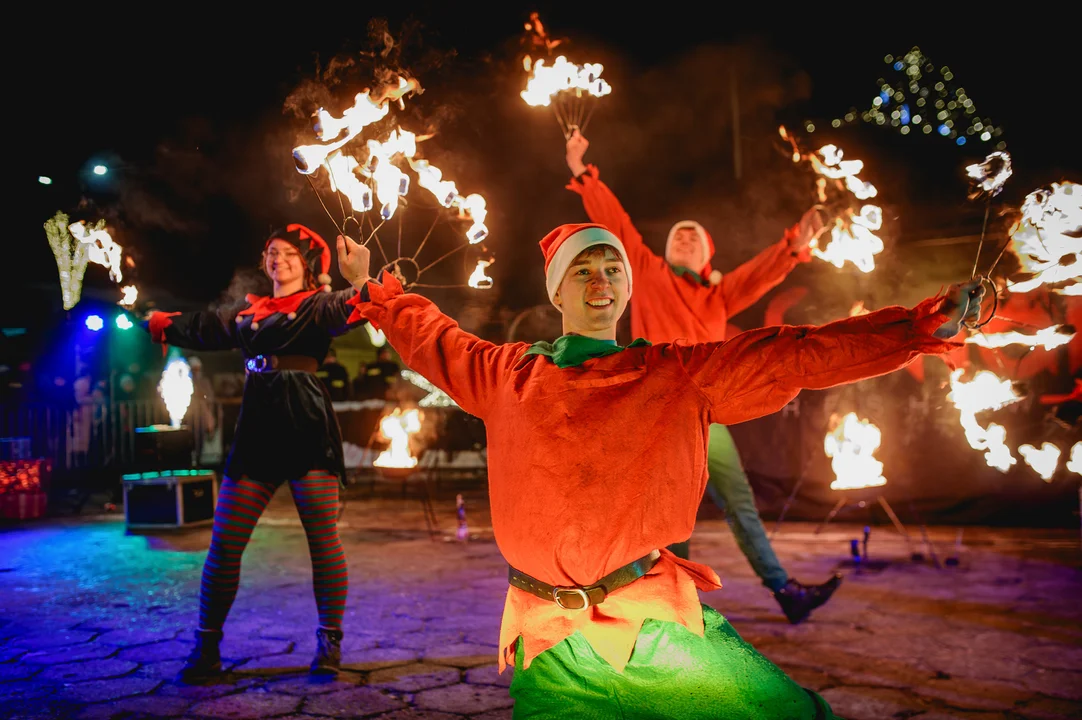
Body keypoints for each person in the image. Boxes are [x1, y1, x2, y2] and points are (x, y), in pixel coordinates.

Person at [335, 223, 984, 718]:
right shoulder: (506, 373)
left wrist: (914, 328)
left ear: (626, 286)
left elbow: (796, 355)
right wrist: (374, 292)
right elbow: (430, 336)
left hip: (656, 634)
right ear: (556, 287)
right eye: (582, 268)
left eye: (612, 266)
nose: (599, 279)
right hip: (548, 640)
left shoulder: (675, 371)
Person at [565, 129, 841, 623]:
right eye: (676, 234)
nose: (683, 237)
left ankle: (784, 591)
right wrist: (584, 173)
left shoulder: (719, 296)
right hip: (660, 409)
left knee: (739, 503)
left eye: (692, 236)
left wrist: (795, 245)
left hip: (708, 412)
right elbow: (619, 226)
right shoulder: (648, 275)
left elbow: (758, 274)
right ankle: (672, 603)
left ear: (706, 254)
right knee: (674, 511)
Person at [143, 223, 366, 682]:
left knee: (323, 543)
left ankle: (329, 643)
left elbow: (354, 307)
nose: (277, 259)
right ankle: (206, 647)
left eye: (287, 253)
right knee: (224, 545)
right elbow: (207, 325)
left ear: (305, 264)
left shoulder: (317, 305)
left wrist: (361, 282)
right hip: (258, 428)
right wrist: (166, 322)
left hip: (306, 423)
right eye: (270, 252)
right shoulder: (251, 313)